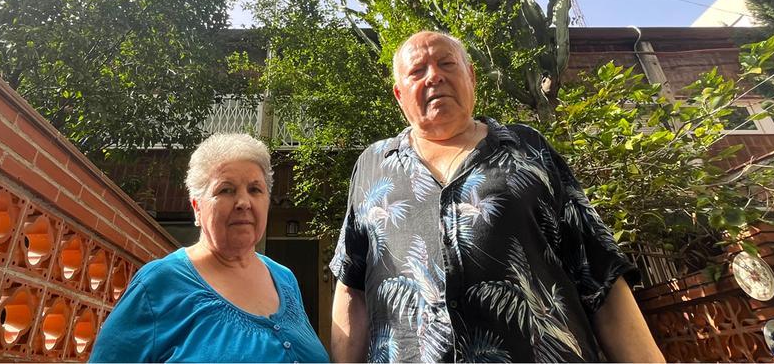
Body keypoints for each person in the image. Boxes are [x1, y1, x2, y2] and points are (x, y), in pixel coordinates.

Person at [329, 31, 665, 363]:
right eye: (417, 71)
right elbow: (351, 287)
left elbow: (600, 273)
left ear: (471, 76)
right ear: (399, 95)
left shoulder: (527, 148)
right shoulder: (372, 166)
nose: (435, 76)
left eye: (447, 64)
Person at [91, 133, 329, 363]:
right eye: (226, 190)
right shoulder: (158, 284)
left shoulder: (284, 278)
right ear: (197, 207)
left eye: (255, 189)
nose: (244, 202)